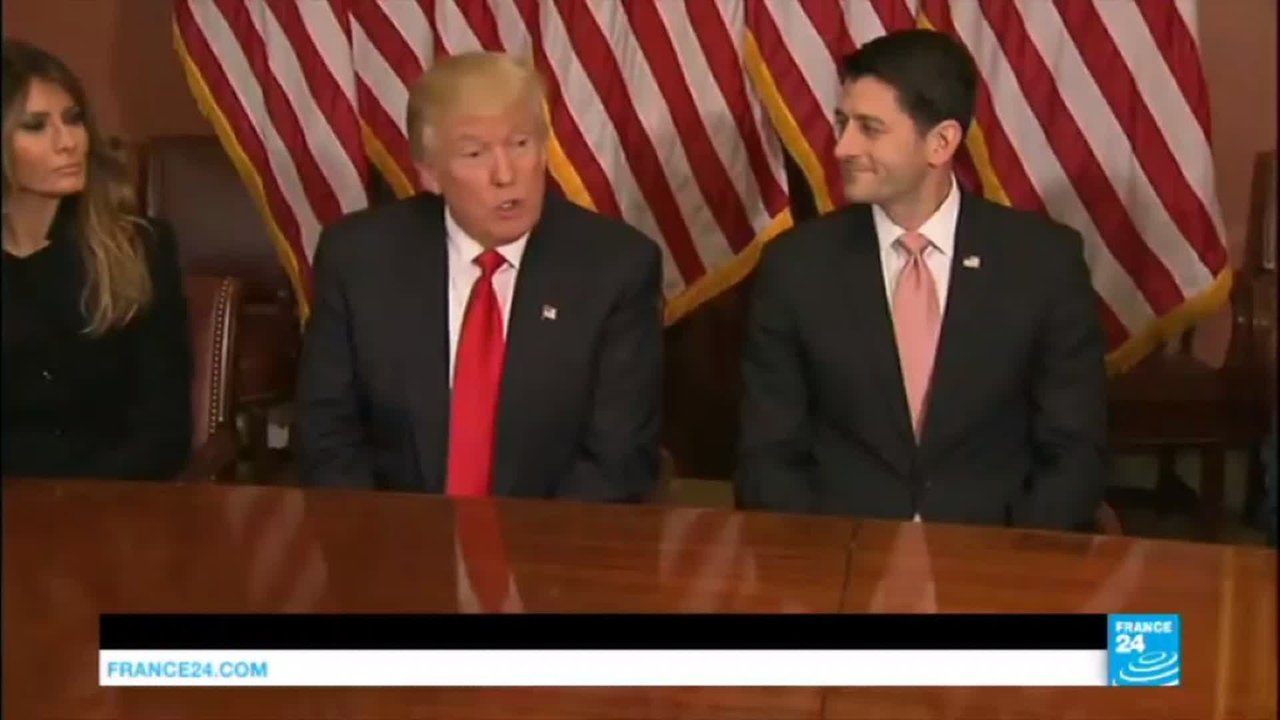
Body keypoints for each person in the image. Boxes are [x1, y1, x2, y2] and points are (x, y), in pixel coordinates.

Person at [735, 30, 1107, 530]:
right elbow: (769, 455)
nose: (842, 147)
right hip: (838, 563)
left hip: (995, 565)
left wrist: (1018, 565)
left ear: (941, 142)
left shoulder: (1042, 263)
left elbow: (1073, 450)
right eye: (842, 123)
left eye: (870, 128)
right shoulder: (796, 266)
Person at [295, 51, 663, 501]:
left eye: (521, 144)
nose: (505, 174)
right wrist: (386, 549)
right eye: (475, 153)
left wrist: (522, 562)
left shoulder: (615, 268)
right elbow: (327, 438)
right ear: (430, 173)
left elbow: (617, 461)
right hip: (393, 547)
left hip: (550, 551)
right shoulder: (359, 259)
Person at [1, 39, 192, 480]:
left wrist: (82, 505)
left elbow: (163, 431)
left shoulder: (139, 249)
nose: (68, 143)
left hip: (112, 508)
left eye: (74, 120)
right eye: (34, 126)